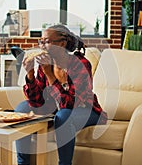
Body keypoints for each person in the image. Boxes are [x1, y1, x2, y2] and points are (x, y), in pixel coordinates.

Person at [15, 24, 107, 165]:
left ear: (62, 44)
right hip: (57, 109)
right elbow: (36, 101)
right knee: (22, 108)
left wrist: (51, 77)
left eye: (47, 41)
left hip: (86, 110)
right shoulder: (45, 64)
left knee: (63, 116)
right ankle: (23, 163)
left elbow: (70, 104)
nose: (42, 46)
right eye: (41, 41)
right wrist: (30, 75)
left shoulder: (80, 64)